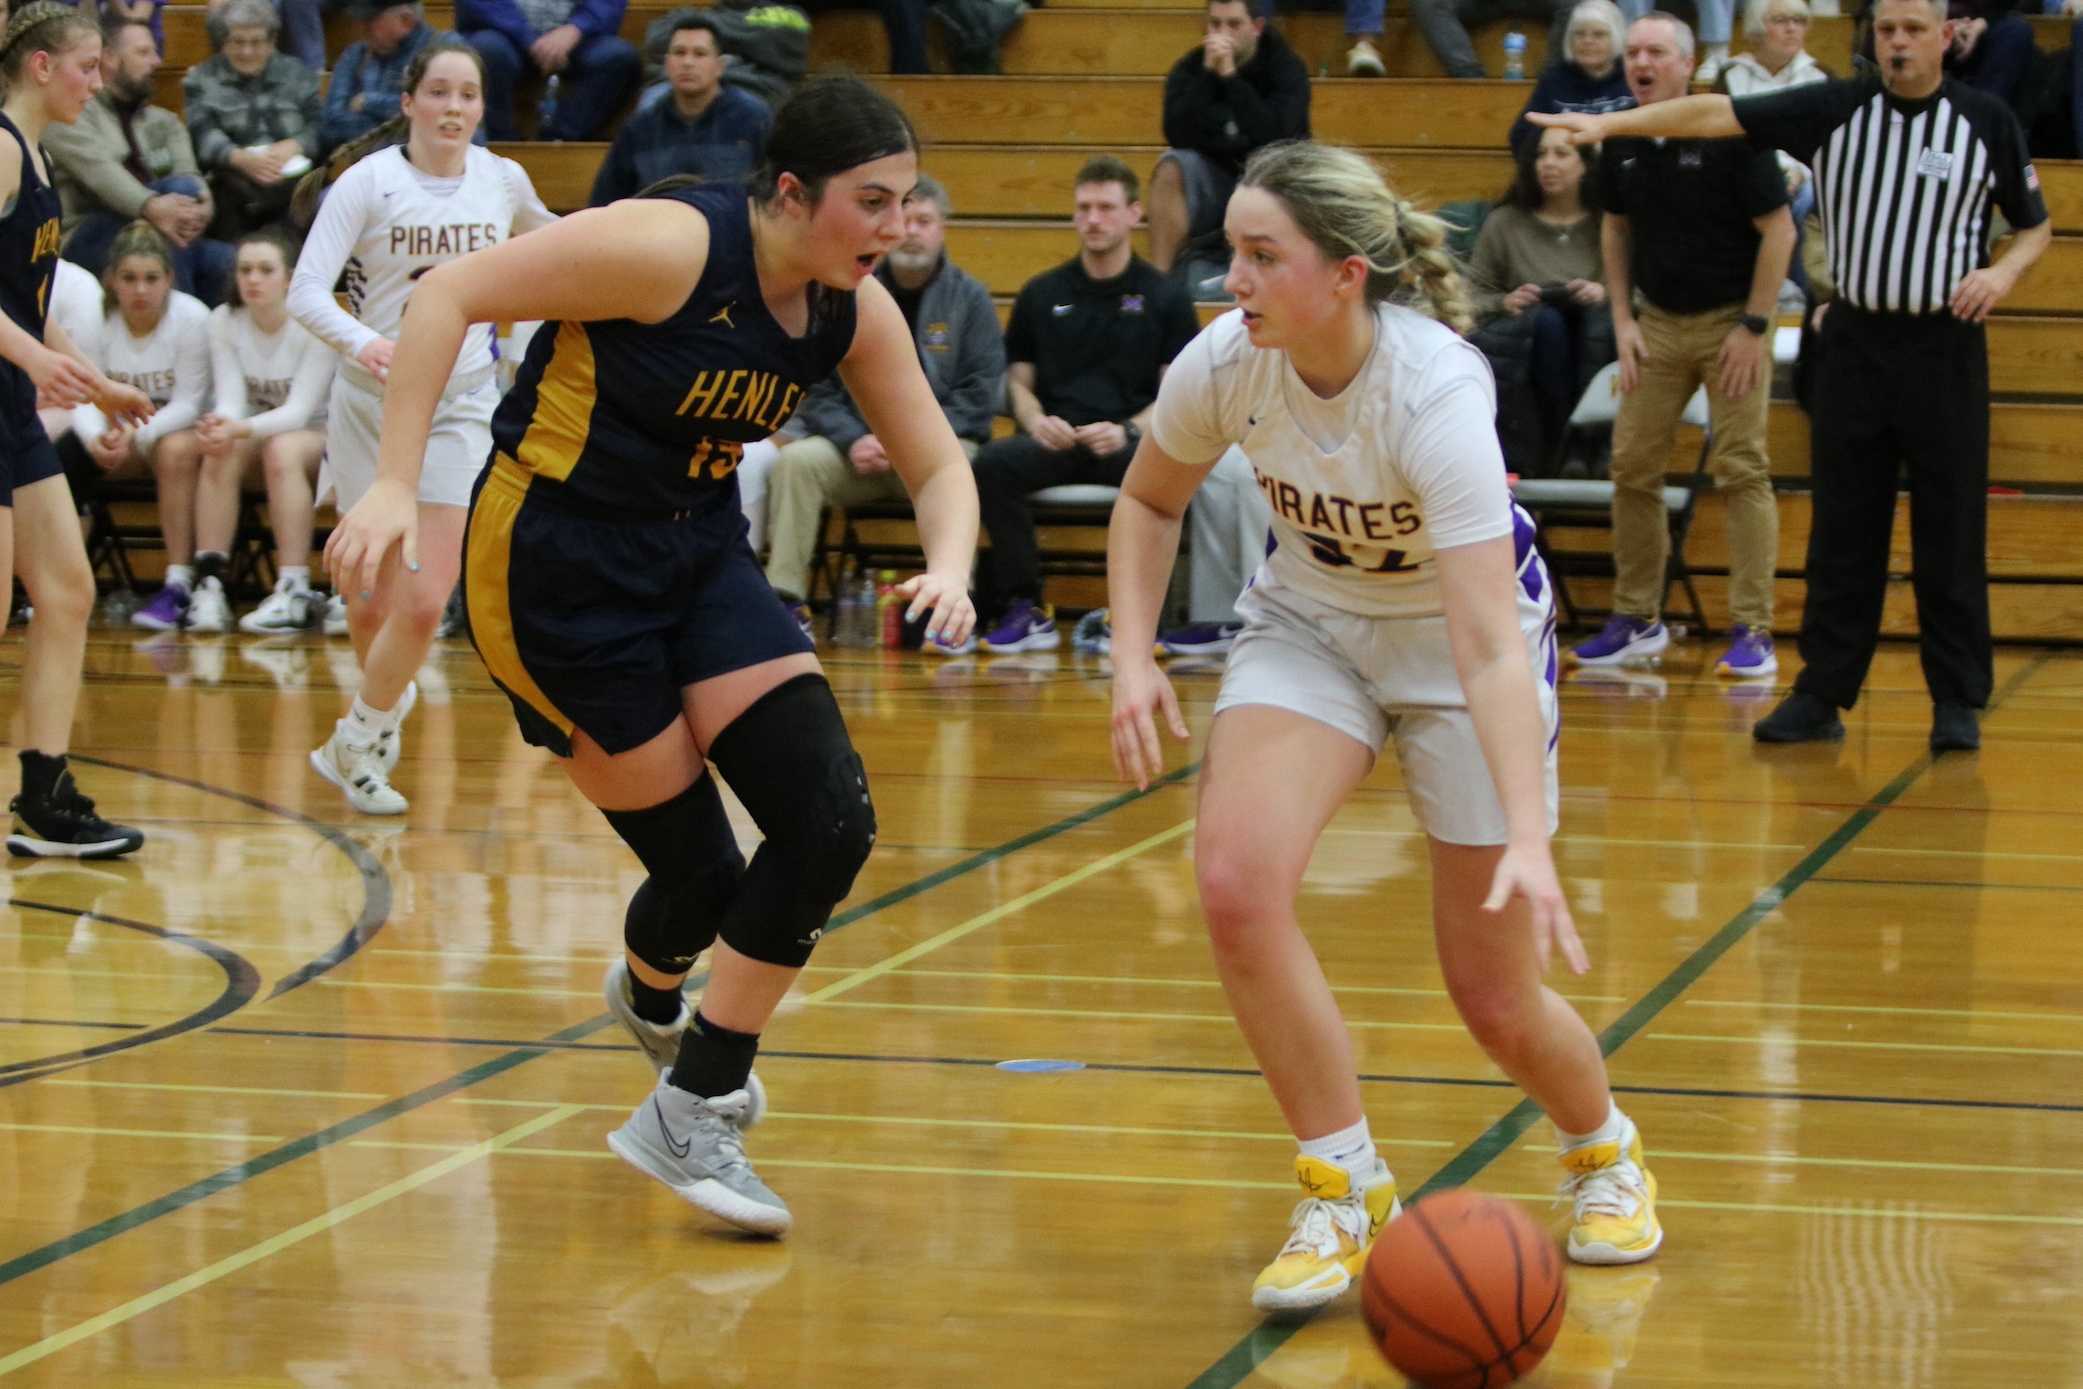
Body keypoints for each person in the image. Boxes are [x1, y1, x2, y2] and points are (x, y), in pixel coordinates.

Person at [322, 76, 980, 1236]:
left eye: (905, 201)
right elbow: (448, 294)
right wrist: (389, 482)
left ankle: (695, 1091)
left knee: (829, 821)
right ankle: (662, 1001)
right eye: (870, 202)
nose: (894, 227)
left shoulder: (849, 306)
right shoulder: (670, 247)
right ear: (789, 193)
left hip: (697, 553)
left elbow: (937, 462)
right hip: (554, 570)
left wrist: (953, 566)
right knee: (707, 885)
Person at [1105, 139, 1661, 1315]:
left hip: (1458, 655)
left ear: (1347, 274)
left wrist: (1526, 832)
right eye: (1231, 253)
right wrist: (1131, 654)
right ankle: (1342, 1183)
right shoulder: (1225, 361)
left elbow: (1485, 643)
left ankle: (1603, 1151)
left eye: (1264, 257)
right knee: (1234, 884)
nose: (1233, 280)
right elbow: (1149, 498)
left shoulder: (1436, 392)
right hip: (1310, 626)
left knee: (1494, 998)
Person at [1532, 0, 2049, 751]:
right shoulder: (1832, 108)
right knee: (1843, 528)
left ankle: (1955, 700)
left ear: (1943, 36)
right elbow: (1715, 114)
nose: (1897, 43)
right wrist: (1609, 126)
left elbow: (2034, 225)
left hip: (1944, 350)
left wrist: (2000, 276)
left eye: (1912, 30)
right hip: (1852, 344)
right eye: (1886, 30)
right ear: (1871, 36)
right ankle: (1820, 692)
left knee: (1950, 527)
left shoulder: (1985, 120)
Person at [288, 38, 555, 814]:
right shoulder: (367, 184)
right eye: (438, 92)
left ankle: (356, 734)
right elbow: (308, 290)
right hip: (367, 401)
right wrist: (364, 341)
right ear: (408, 102)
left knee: (426, 597)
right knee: (368, 599)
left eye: (467, 95)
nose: (453, 108)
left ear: (481, 106)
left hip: (460, 402)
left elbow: (557, 239)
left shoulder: (502, 179)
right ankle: (373, 735)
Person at [1563, 12, 1792, 677]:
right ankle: (1636, 618)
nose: (1639, 63)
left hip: (1732, 321)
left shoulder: (1732, 130)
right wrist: (1623, 321)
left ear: (1686, 65)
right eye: (1632, 52)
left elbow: (1777, 233)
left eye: (1655, 53)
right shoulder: (1621, 137)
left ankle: (1754, 630)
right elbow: (1612, 229)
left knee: (1741, 469)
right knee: (1630, 466)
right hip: (1655, 322)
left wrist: (1753, 326)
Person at [0, 3, 154, 858]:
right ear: (42, 66)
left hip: (8, 402)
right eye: (88, 67)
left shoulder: (38, 152)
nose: (98, 84)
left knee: (66, 592)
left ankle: (45, 798)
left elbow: (24, 304)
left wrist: (96, 383)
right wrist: (33, 361)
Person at [969, 156, 1199, 654]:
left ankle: (1136, 616)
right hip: (1059, 439)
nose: (1093, 219)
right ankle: (1024, 607)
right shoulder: (1041, 292)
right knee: (990, 465)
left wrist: (1130, 430)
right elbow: (1016, 382)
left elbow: (1177, 395)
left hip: (1128, 444)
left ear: (1135, 213)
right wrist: (1034, 420)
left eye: (1106, 208)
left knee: (1175, 473)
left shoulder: (1165, 297)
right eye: (1084, 208)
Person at [760, 172, 1000, 631]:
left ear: (943, 227)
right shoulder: (846, 292)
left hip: (938, 449)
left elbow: (980, 395)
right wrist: (854, 440)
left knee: (967, 467)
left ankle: (955, 602)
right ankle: (785, 602)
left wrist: (907, 438)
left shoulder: (970, 299)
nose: (912, 230)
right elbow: (821, 389)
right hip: (861, 455)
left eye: (924, 220)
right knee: (798, 463)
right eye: (905, 219)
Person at [65, 221, 214, 632]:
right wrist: (96, 438)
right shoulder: (95, 318)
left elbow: (189, 402)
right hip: (120, 438)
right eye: (129, 278)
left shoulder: (191, 318)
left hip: (179, 434)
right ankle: (56, 584)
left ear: (169, 278)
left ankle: (179, 583)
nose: (140, 290)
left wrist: (137, 432)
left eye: (151, 278)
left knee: (175, 450)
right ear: (111, 280)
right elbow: (83, 393)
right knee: (62, 452)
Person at [195, 226, 333, 634]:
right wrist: (221, 423)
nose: (253, 279)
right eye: (245, 270)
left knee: (282, 449)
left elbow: (298, 412)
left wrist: (236, 427)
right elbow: (231, 398)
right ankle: (210, 582)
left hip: (321, 434)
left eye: (265, 270)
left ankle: (293, 585)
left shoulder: (314, 321)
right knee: (219, 447)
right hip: (258, 430)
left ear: (289, 277)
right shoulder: (224, 320)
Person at [46, 19, 232, 304]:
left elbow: (192, 177)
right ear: (109, 58)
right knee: (172, 206)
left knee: (232, 264)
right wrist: (151, 207)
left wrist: (205, 204)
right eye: (144, 52)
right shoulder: (72, 114)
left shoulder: (165, 122)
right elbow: (99, 172)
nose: (157, 62)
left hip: (170, 231)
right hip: (88, 233)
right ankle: (173, 332)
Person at [1468, 125, 1613, 474]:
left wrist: (1605, 292)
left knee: (1595, 320)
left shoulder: (1610, 224)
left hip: (1594, 336)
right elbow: (1470, 297)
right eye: (1540, 154)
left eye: (1561, 154)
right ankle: (1558, 446)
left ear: (1586, 166)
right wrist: (1506, 302)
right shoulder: (1504, 222)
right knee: (1548, 322)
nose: (1548, 164)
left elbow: (1640, 293)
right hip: (1525, 344)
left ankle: (1588, 443)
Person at [1150, 0, 1311, 277]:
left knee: (1286, 173)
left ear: (1257, 27)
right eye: (1215, 24)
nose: (1222, 34)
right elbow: (1176, 133)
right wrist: (1207, 77)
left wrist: (1231, 79)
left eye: (1234, 24)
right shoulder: (1191, 68)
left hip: (1272, 182)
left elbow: (1276, 136)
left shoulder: (1286, 67)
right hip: (1215, 179)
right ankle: (1158, 284)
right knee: (1171, 166)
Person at [588, 14, 771, 204]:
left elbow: (772, 195)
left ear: (720, 66)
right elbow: (605, 203)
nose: (687, 63)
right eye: (679, 52)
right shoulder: (639, 129)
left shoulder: (753, 119)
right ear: (667, 64)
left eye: (699, 54)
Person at [182, 0, 322, 239]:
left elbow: (320, 125)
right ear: (224, 43)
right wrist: (239, 158)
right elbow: (201, 131)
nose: (247, 52)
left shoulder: (299, 75)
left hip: (292, 179)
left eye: (256, 42)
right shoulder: (201, 80)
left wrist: (297, 144)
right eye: (238, 42)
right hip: (232, 182)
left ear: (272, 42)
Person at [1718, 0, 1828, 294]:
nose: (1792, 28)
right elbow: (1723, 141)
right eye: (1781, 20)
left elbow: (1827, 146)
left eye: (1799, 21)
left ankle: (1796, 289)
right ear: (1756, 29)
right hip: (1746, 173)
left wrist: (1799, 172)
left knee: (1803, 199)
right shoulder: (1730, 76)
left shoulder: (1821, 78)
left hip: (1805, 177)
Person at [457, 0, 639, 141]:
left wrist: (577, 28)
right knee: (486, 50)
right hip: (504, 35)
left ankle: (561, 140)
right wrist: (529, 38)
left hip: (574, 40)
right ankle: (499, 142)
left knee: (618, 56)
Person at [1510, 0, 1632, 154]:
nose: (1587, 41)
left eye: (1598, 34)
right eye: (1579, 34)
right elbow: (1520, 137)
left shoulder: (1632, 75)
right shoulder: (1553, 79)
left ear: (1617, 39)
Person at [320, 1, 440, 153]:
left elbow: (432, 115)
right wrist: (396, 124)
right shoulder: (355, 55)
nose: (362, 28)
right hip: (356, 165)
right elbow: (331, 123)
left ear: (406, 21)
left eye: (370, 21)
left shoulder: (442, 54)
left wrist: (369, 102)